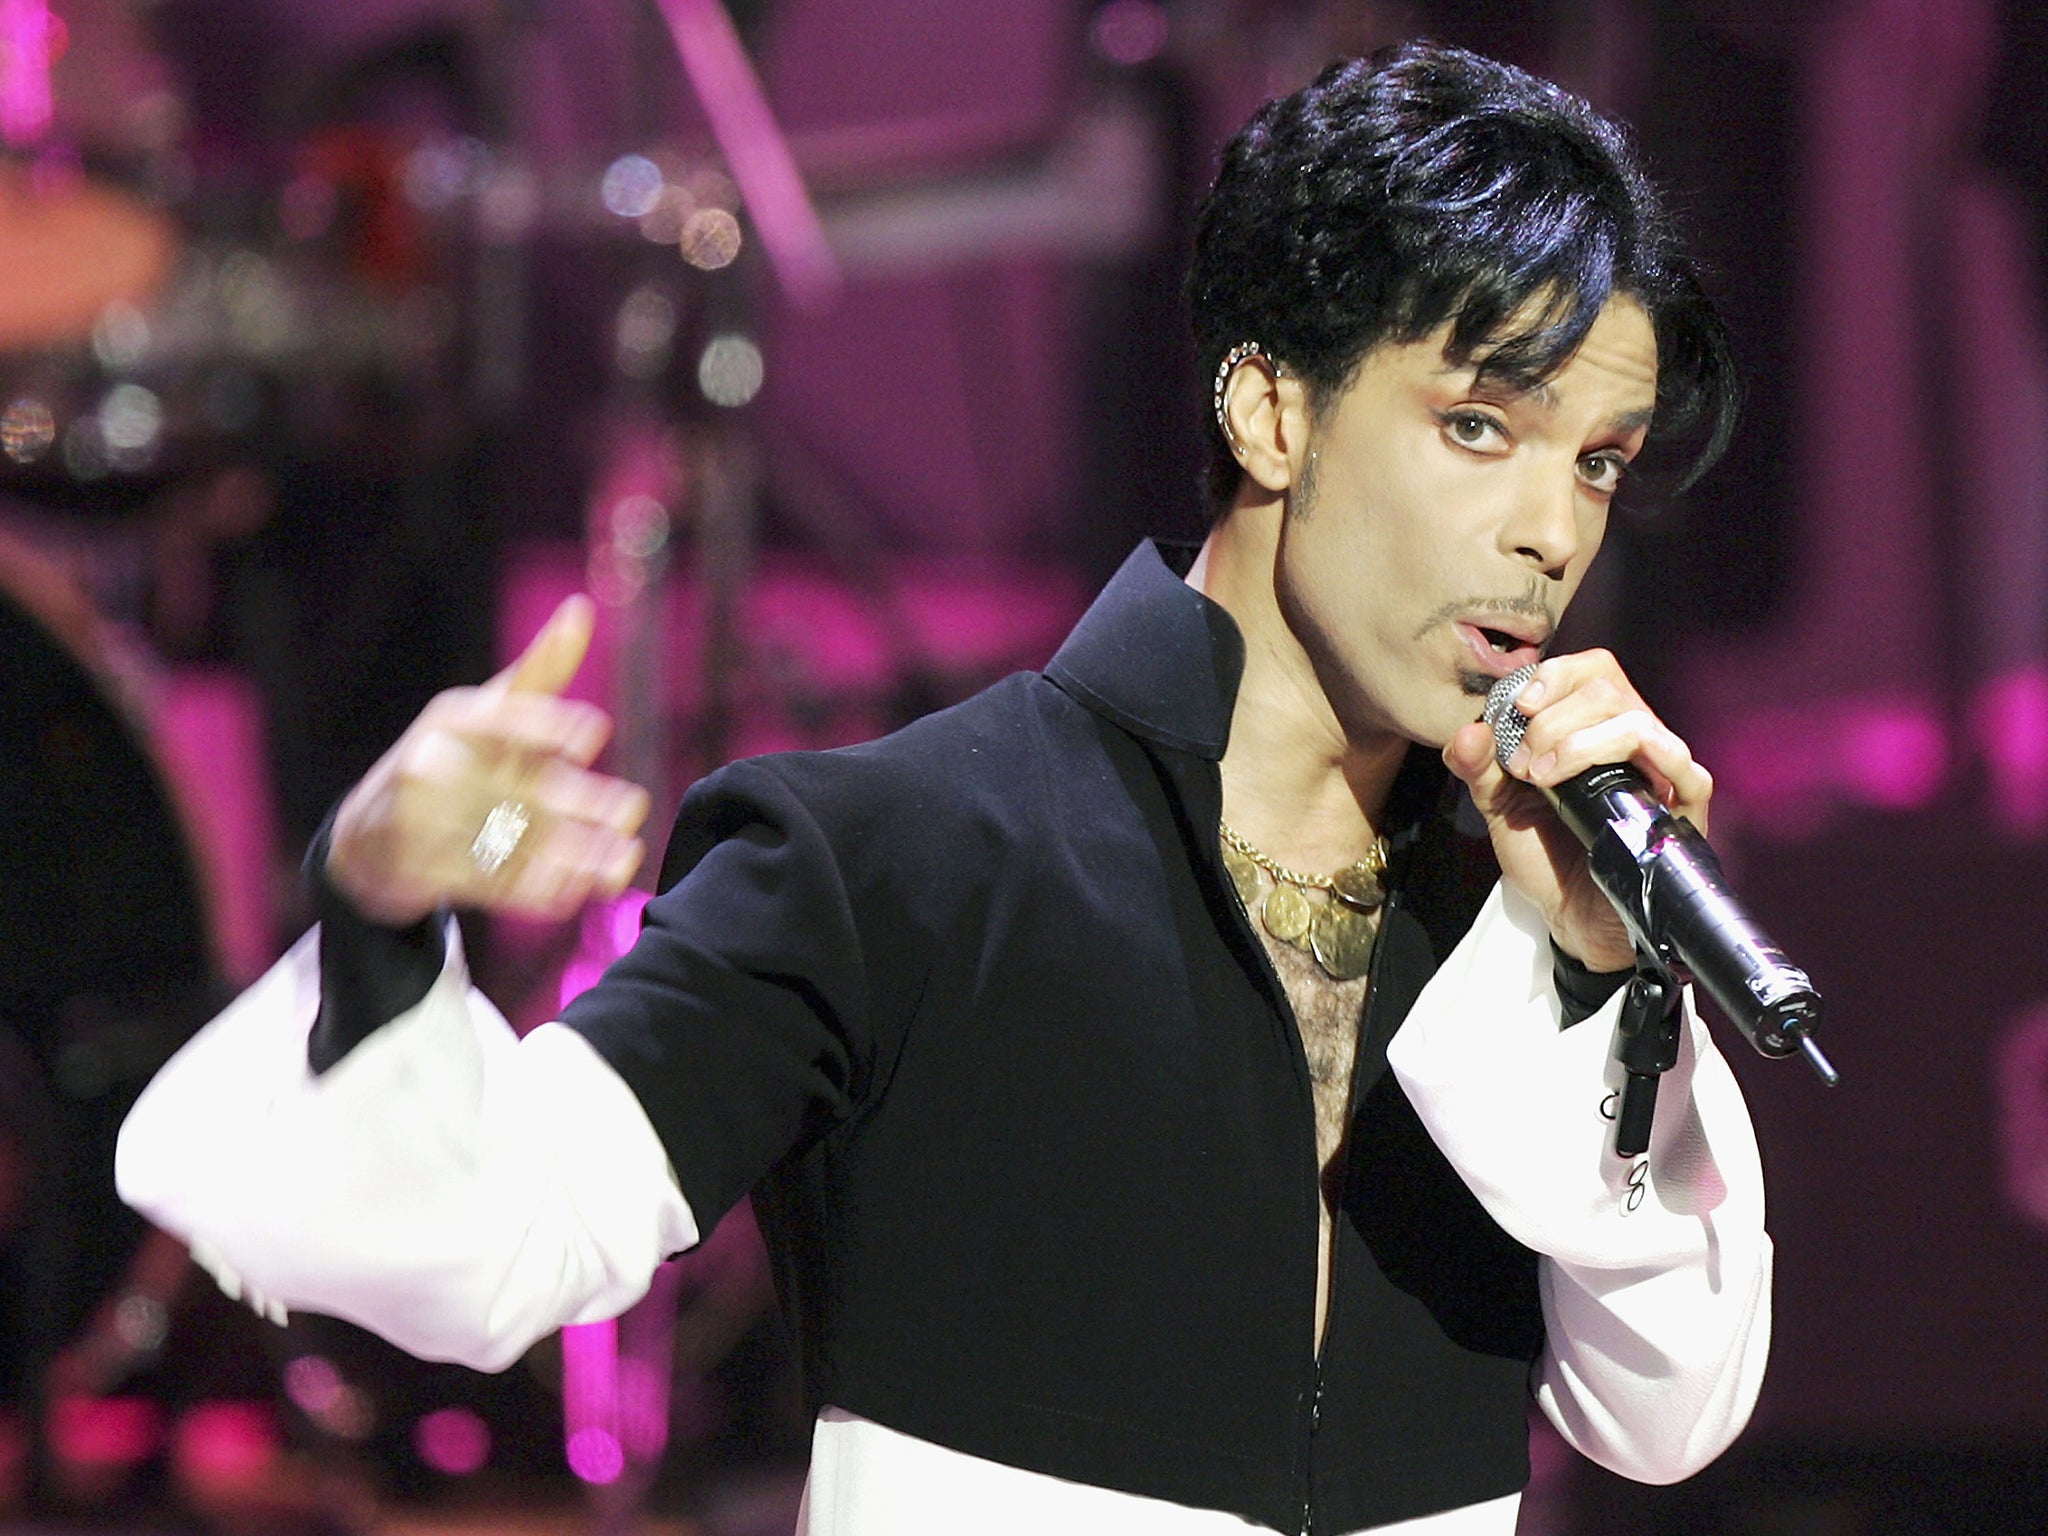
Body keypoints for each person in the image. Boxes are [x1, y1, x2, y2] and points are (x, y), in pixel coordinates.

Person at [116, 42, 1771, 1536]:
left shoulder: (1522, 903)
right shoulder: (899, 852)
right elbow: (500, 1240)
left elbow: (1665, 1416)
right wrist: (386, 896)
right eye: (1483, 425)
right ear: (1271, 406)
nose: (1556, 534)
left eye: (1598, 461)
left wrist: (1598, 975)